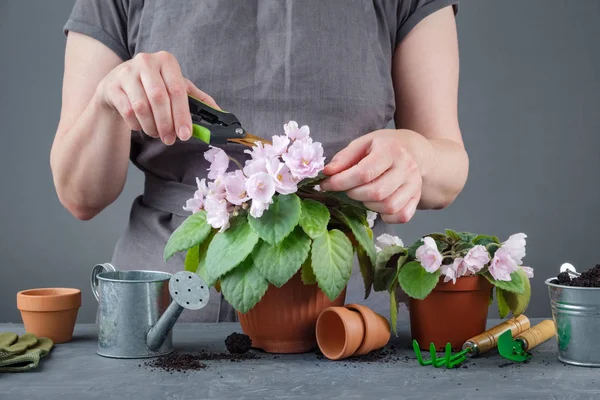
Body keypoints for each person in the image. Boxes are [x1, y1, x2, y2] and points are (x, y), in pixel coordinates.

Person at [51, 0, 467, 322]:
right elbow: (79, 195)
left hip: (342, 311)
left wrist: (419, 156)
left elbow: (447, 170)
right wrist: (108, 100)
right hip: (170, 308)